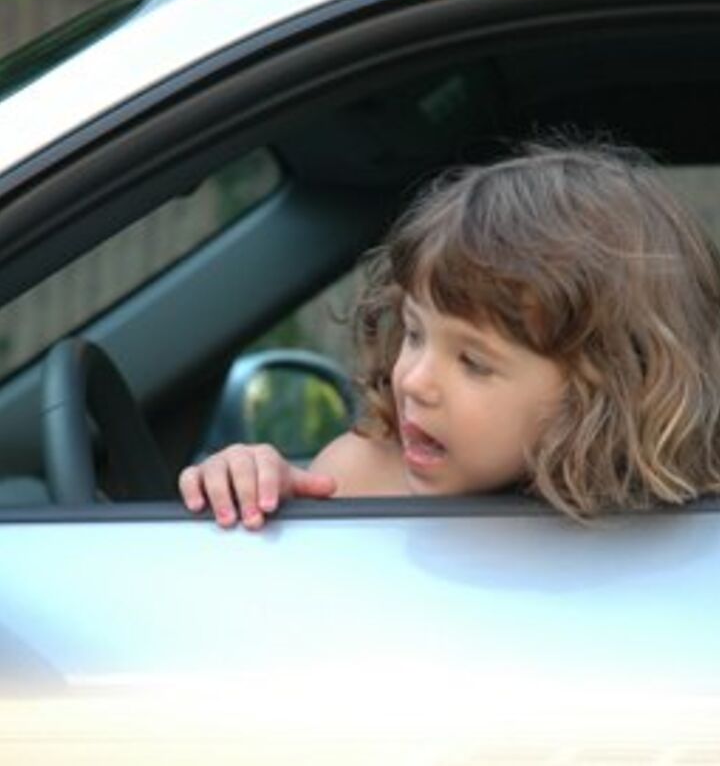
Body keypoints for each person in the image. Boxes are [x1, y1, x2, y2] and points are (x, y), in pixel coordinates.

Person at [179, 139, 720, 529]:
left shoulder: (682, 531)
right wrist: (254, 488)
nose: (414, 381)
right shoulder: (357, 480)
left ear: (604, 389)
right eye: (414, 334)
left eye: (473, 362)